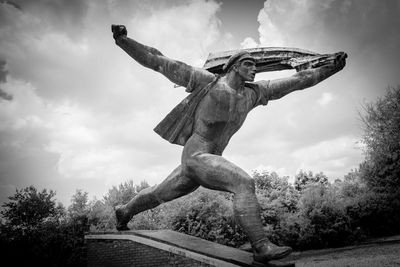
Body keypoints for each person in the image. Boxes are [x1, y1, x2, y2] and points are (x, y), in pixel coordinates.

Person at [111, 24, 346, 263]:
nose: (254, 69)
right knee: (243, 182)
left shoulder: (253, 94)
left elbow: (299, 80)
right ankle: (261, 246)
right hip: (196, 156)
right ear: (234, 66)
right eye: (248, 65)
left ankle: (124, 211)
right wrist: (123, 41)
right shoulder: (208, 82)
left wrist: (331, 68)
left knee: (157, 195)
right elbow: (158, 61)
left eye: (255, 65)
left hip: (203, 162)